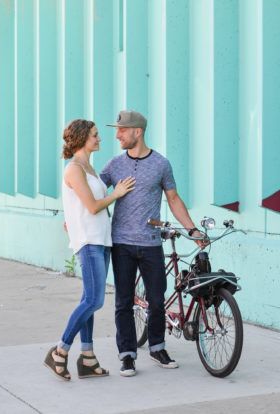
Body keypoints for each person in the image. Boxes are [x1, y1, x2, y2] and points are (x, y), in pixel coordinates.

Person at [100, 110, 204, 377]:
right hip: (122, 243)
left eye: (122, 130)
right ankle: (127, 355)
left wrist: (192, 229)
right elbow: (93, 193)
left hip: (150, 243)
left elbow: (173, 199)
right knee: (124, 302)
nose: (117, 135)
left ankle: (157, 348)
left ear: (137, 132)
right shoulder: (113, 165)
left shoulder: (161, 164)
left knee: (157, 300)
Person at [44, 119, 135, 381]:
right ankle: (60, 351)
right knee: (95, 300)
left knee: (89, 300)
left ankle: (87, 358)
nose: (99, 138)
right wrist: (117, 193)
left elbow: (78, 206)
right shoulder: (74, 169)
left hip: (102, 240)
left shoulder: (89, 168)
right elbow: (93, 206)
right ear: (83, 137)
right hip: (88, 241)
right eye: (95, 135)